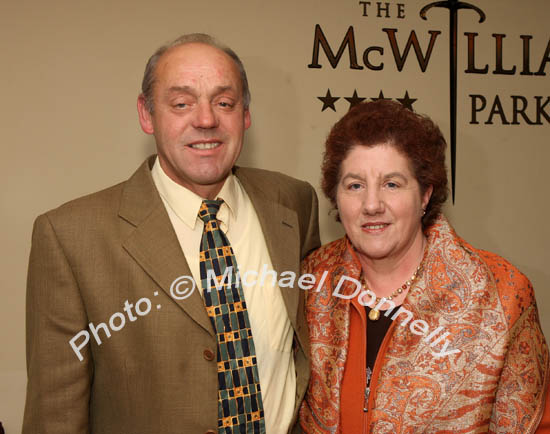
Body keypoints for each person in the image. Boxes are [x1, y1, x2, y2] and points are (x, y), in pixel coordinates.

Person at [23, 33, 320, 434]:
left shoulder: (294, 204)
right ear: (146, 115)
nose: (205, 119)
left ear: (245, 114)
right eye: (181, 103)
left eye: (224, 102)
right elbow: (55, 416)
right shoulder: (69, 236)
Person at [299, 100, 550, 433]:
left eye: (392, 184)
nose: (372, 204)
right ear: (336, 196)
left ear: (425, 194)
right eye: (355, 185)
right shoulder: (311, 280)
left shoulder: (501, 295)